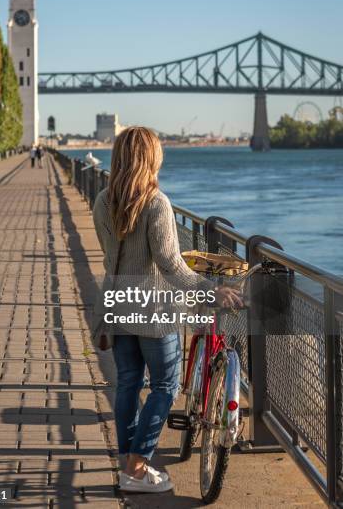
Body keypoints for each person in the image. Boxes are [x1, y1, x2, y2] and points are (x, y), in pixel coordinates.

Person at [93, 126, 241, 494]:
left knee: (128, 383)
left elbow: (113, 258)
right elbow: (172, 266)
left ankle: (129, 463)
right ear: (150, 158)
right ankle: (139, 468)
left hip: (119, 304)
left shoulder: (101, 201)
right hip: (155, 310)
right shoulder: (156, 203)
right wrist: (212, 292)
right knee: (164, 386)